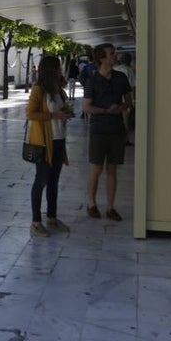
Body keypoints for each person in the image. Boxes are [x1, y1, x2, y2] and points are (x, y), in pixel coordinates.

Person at [82, 43, 133, 221]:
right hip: (98, 130)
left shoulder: (120, 77)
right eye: (111, 54)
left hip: (117, 129)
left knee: (113, 169)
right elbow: (86, 107)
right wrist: (105, 111)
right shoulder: (92, 80)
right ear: (102, 58)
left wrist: (121, 108)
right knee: (96, 168)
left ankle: (111, 207)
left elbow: (129, 101)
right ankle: (91, 203)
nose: (115, 56)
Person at [25, 55, 72, 237]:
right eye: (57, 67)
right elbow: (31, 113)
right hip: (43, 142)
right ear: (50, 69)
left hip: (59, 140)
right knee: (41, 180)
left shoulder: (58, 89)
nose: (60, 70)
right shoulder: (38, 90)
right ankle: (36, 223)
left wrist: (66, 114)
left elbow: (61, 110)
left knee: (54, 181)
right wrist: (53, 116)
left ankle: (51, 217)